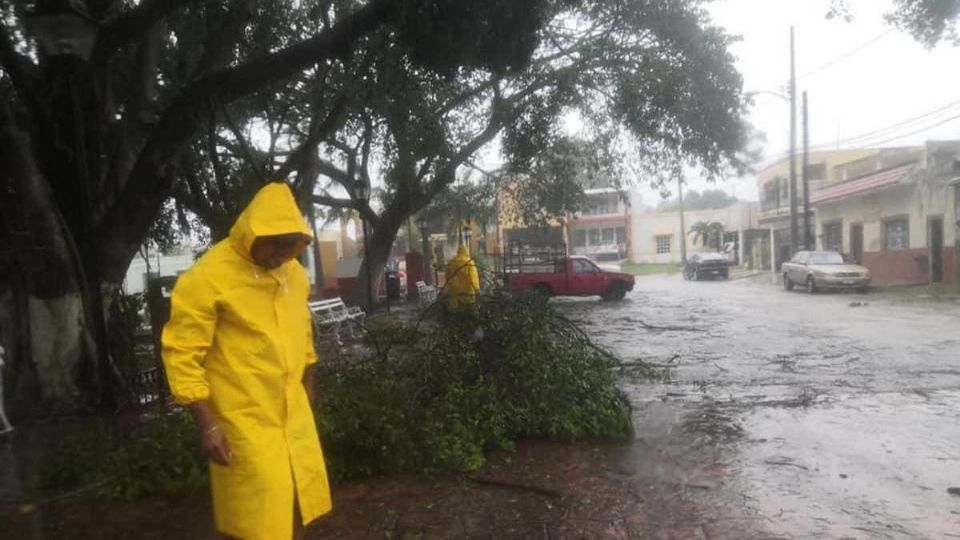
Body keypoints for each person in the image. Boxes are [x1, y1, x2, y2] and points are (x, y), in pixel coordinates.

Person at [162, 182, 330, 540]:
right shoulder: (208, 277)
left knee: (299, 497)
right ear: (252, 233)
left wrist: (308, 388)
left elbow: (304, 335)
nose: (282, 254)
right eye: (275, 244)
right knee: (254, 510)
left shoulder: (293, 274)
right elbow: (182, 352)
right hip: (244, 417)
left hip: (292, 411)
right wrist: (207, 425)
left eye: (290, 245)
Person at [444, 244, 480, 309]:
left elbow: (447, 276)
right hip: (467, 292)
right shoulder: (469, 262)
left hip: (454, 292)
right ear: (466, 252)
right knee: (468, 312)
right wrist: (477, 289)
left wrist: (449, 286)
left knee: (456, 313)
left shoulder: (451, 262)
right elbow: (473, 277)